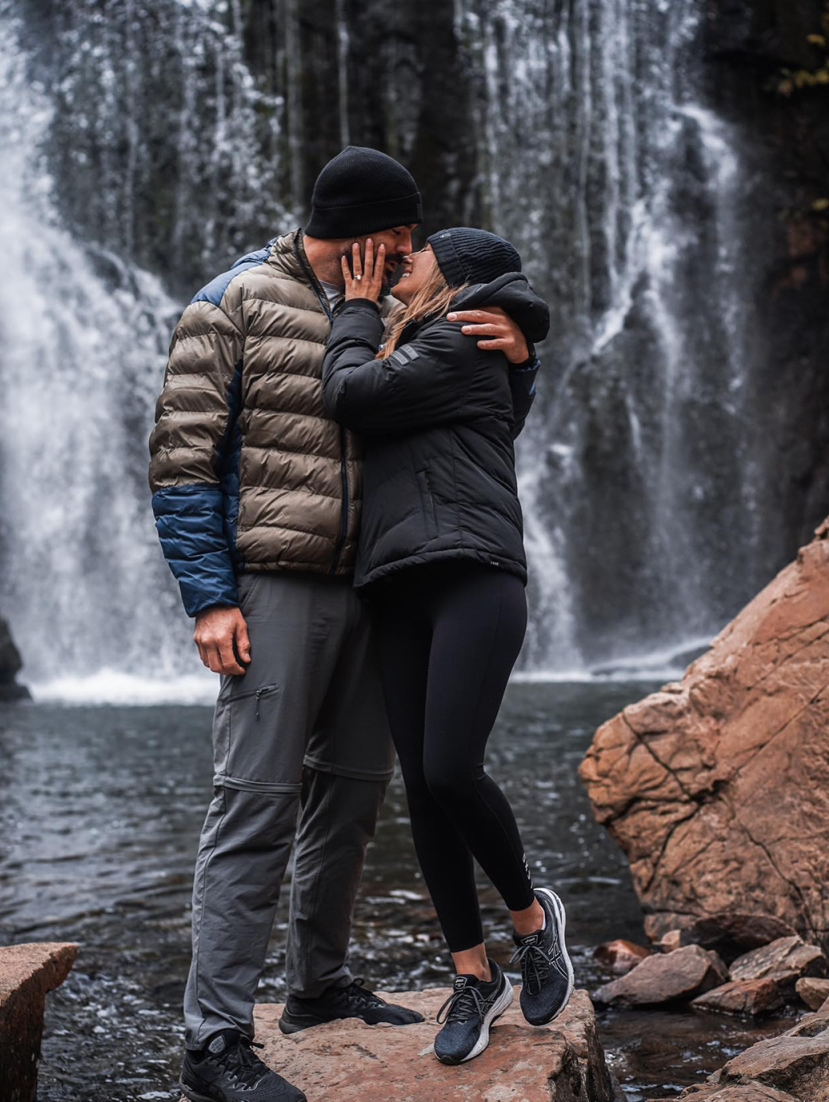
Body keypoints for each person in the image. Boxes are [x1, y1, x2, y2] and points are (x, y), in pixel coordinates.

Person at [149, 148, 532, 1102]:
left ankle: (317, 987)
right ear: (377, 231)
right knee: (255, 802)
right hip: (273, 584)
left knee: (354, 801)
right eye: (403, 233)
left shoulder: (399, 313)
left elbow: (471, 415)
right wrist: (210, 596)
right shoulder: (231, 300)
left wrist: (523, 349)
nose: (412, 250)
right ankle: (214, 1040)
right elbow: (182, 456)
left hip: (380, 587)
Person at [320, 228, 573, 1067]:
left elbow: (350, 394)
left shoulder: (462, 336)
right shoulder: (435, 339)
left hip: (473, 575)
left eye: (418, 253)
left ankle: (533, 924)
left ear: (456, 274)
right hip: (396, 586)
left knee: (448, 769)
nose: (402, 260)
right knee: (425, 793)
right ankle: (474, 977)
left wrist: (356, 307)